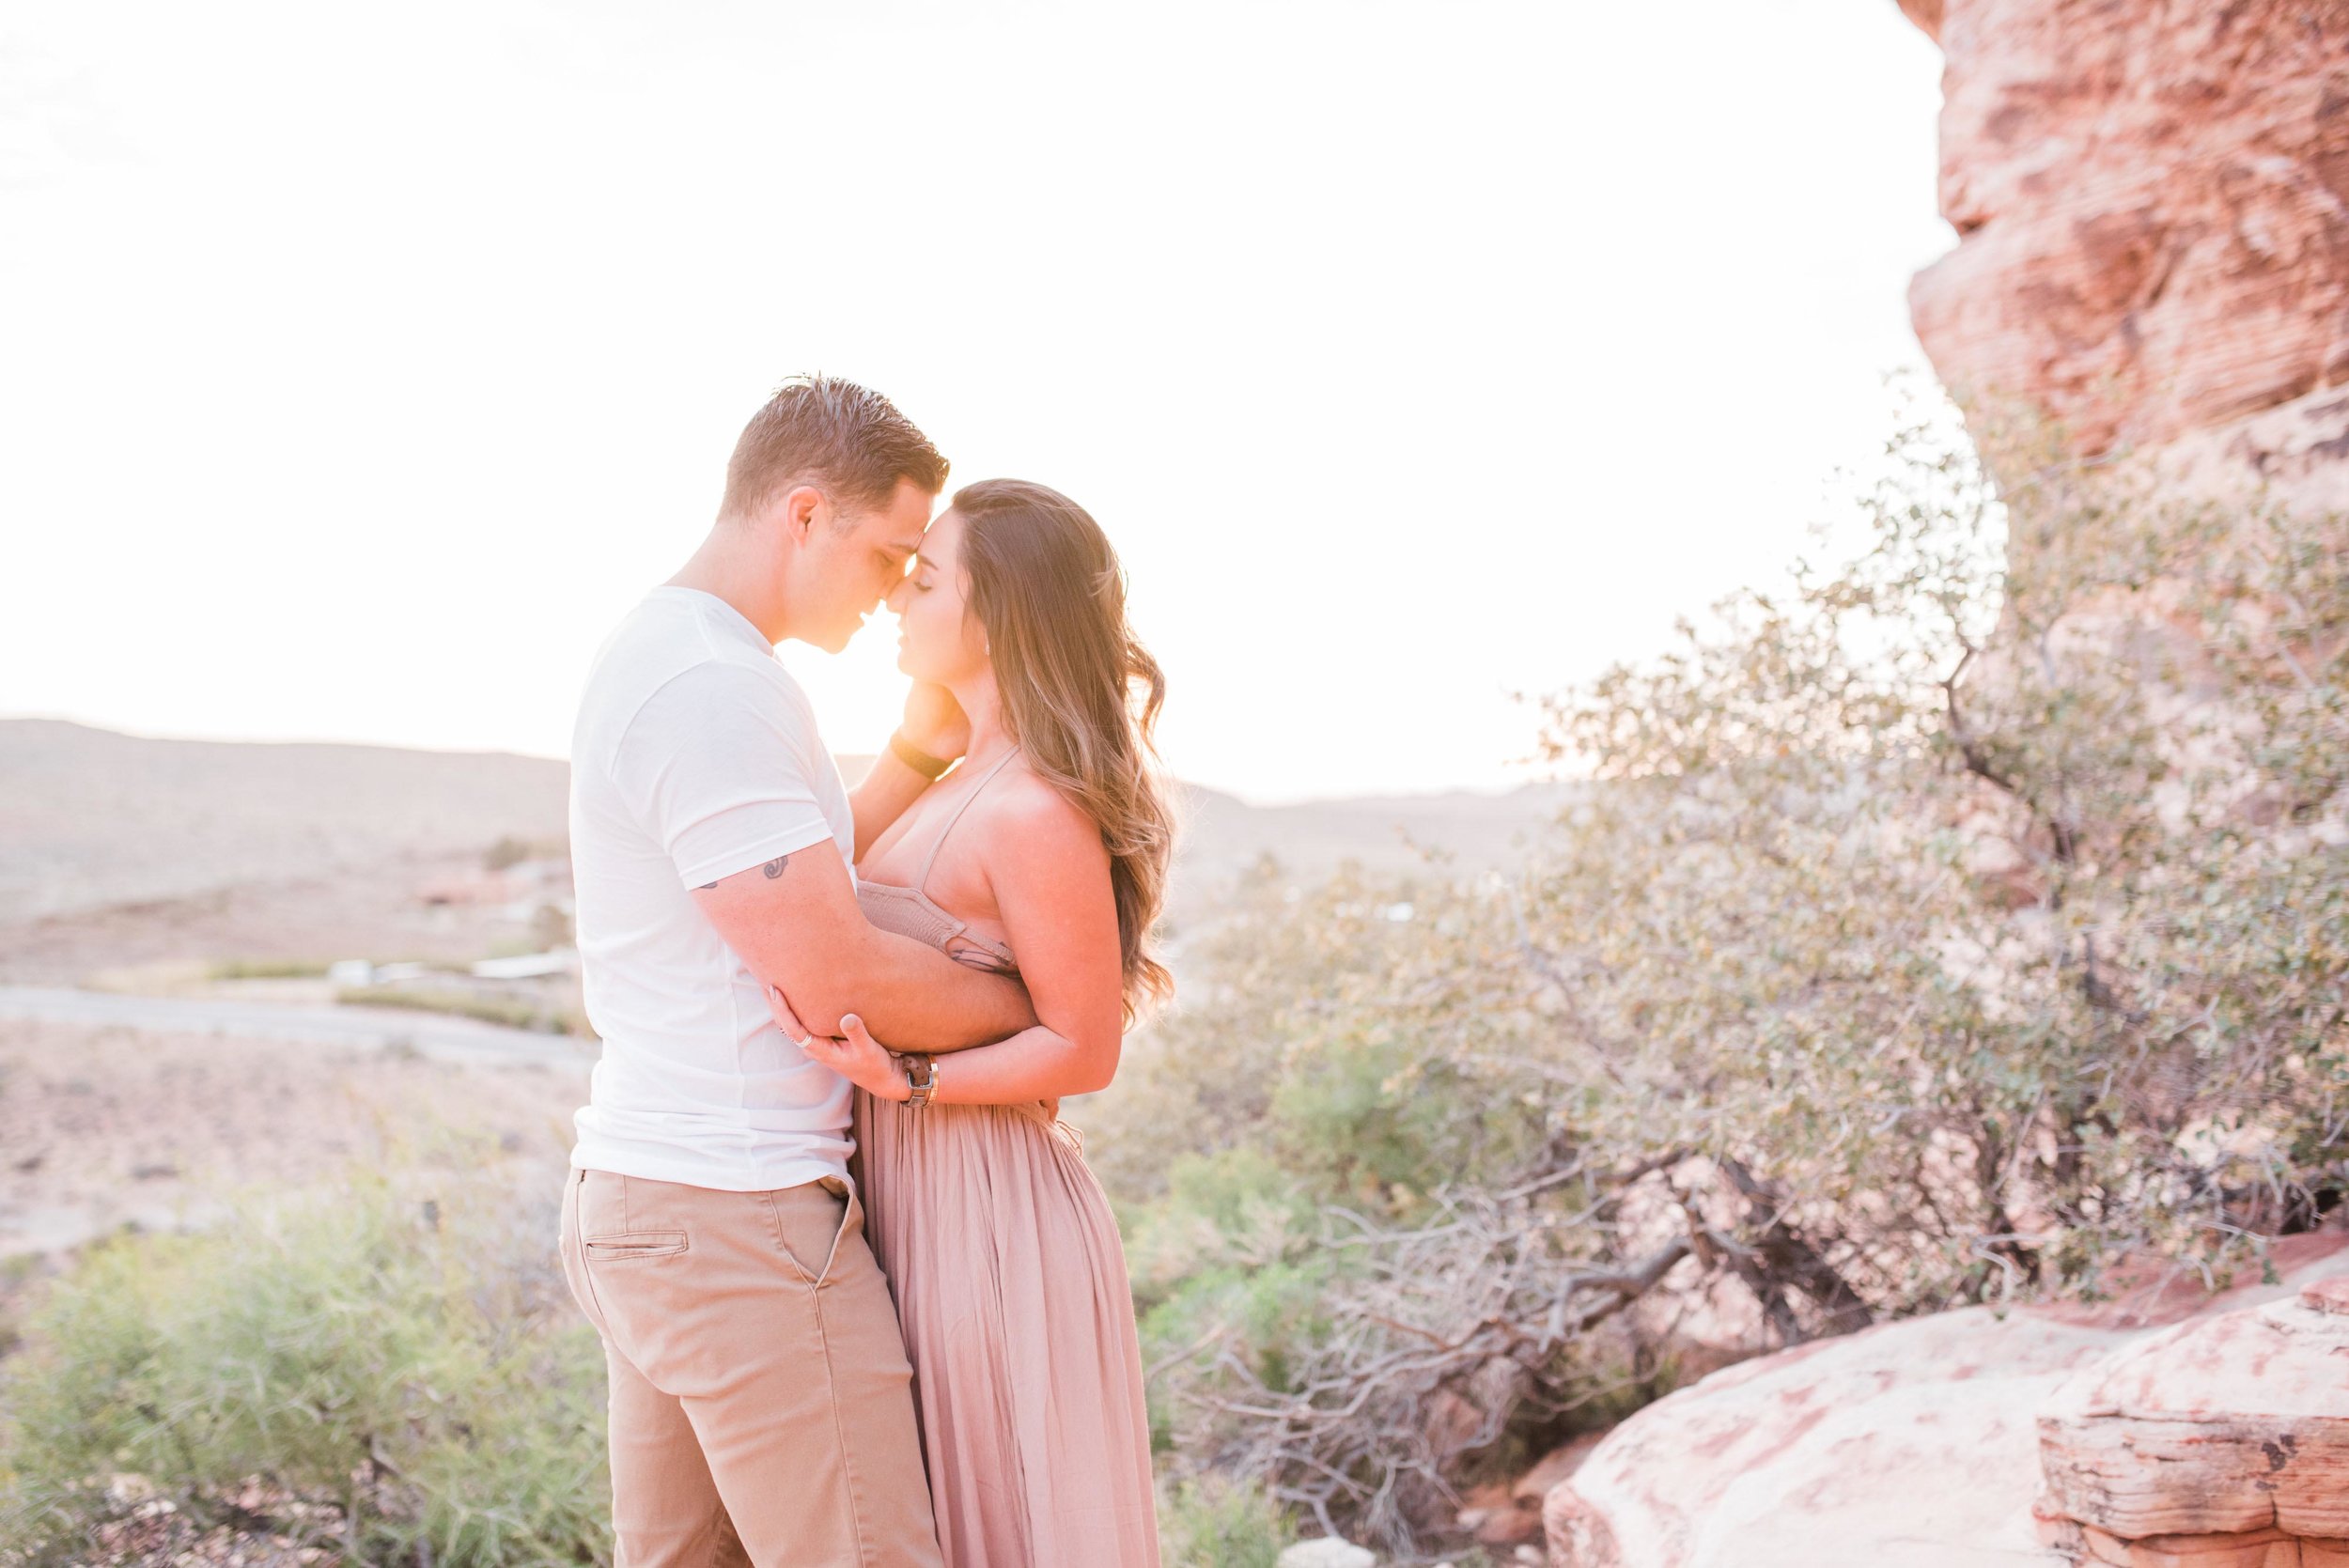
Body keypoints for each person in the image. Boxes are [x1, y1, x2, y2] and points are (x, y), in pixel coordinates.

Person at [558, 375, 1033, 1568]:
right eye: (889, 555)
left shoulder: (678, 652)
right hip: (738, 1221)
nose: (893, 595)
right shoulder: (712, 688)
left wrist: (917, 754)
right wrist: (1027, 1008)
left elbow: (783, 881)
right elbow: (832, 971)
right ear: (806, 514)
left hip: (657, 1200)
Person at [766, 479, 1174, 1567]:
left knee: (1000, 1519)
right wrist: (913, 746)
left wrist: (920, 1084)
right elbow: (818, 879)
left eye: (928, 577)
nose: (900, 595)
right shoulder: (958, 783)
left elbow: (1085, 1046)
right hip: (915, 1187)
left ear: (995, 614)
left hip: (986, 1204)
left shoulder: (1034, 809)